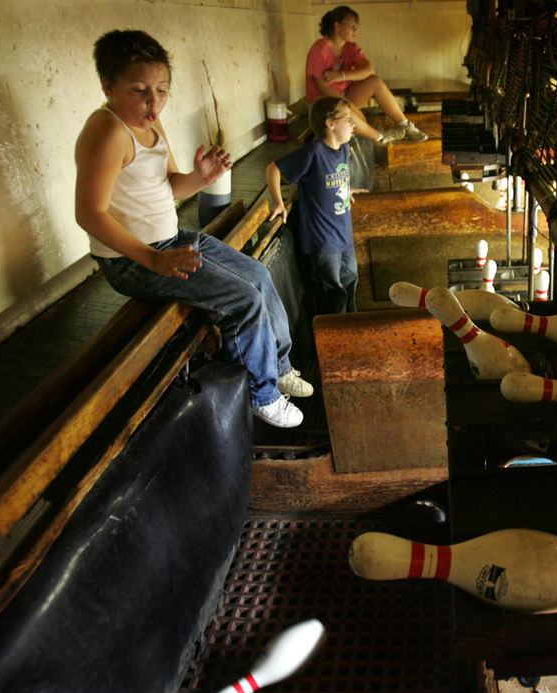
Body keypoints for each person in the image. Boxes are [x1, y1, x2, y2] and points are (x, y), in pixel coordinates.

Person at [75, 29, 312, 429]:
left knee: (257, 274)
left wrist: (202, 177)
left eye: (162, 90)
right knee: (242, 300)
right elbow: (89, 214)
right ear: (107, 86)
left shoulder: (149, 124)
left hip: (169, 240)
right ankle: (262, 392)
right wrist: (153, 259)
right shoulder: (108, 130)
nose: (154, 103)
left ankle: (279, 363)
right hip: (132, 259)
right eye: (139, 90)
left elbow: (170, 187)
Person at [266, 96, 359, 315]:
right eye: (347, 119)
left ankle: (354, 338)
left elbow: (332, 178)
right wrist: (279, 202)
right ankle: (335, 345)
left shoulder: (343, 150)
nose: (352, 124)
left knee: (351, 283)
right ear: (330, 123)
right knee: (333, 296)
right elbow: (273, 168)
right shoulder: (314, 152)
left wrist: (346, 190)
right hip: (323, 241)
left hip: (344, 236)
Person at [306, 5, 428, 144]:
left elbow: (369, 70)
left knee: (375, 81)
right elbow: (325, 89)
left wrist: (342, 76)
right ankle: (381, 138)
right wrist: (349, 107)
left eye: (356, 26)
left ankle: (405, 126)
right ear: (337, 26)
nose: (355, 30)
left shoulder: (349, 47)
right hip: (322, 104)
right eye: (351, 25)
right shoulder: (319, 49)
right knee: (354, 116)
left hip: (344, 94)